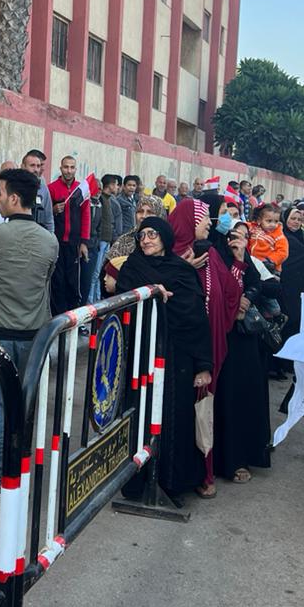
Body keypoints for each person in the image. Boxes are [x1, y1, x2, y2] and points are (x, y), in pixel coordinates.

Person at [116, 216, 212, 506]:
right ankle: (136, 481)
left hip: (176, 356)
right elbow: (122, 303)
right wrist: (154, 295)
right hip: (141, 354)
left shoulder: (182, 271)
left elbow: (196, 317)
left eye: (152, 234)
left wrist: (202, 365)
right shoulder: (132, 267)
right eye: (142, 235)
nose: (146, 240)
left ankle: (172, 483)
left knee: (174, 415)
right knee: (139, 414)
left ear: (165, 238)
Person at [0, 168, 59, 474]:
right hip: (33, 337)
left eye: (0, 193)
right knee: (26, 404)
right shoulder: (50, 241)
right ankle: (19, 468)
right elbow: (46, 279)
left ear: (13, 198)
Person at [170, 196, 240, 499]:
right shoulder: (166, 254)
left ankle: (204, 472)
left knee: (203, 408)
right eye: (203, 219)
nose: (209, 224)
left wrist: (238, 263)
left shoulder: (209, 253)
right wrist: (182, 268)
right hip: (176, 351)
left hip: (206, 349)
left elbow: (230, 292)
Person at [212, 220, 278, 484]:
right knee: (221, 397)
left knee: (243, 397)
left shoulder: (248, 259)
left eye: (242, 236)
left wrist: (247, 295)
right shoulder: (213, 256)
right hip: (221, 335)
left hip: (244, 339)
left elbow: (260, 284)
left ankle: (241, 458)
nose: (236, 241)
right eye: (232, 236)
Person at [276, 205, 304, 379]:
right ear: (285, 219)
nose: (296, 222)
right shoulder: (280, 237)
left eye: (299, 219)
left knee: (298, 324)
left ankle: (291, 362)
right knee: (286, 323)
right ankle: (279, 364)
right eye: (293, 218)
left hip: (302, 288)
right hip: (286, 288)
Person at [47, 155, 91, 314]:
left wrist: (84, 242)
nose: (69, 171)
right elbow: (45, 214)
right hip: (56, 243)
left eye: (72, 167)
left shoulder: (81, 189)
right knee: (57, 282)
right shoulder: (51, 188)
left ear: (76, 169)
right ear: (61, 168)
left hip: (74, 244)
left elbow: (86, 215)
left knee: (73, 282)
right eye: (66, 167)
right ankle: (57, 318)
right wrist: (53, 210)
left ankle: (73, 316)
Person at [104, 194, 166, 294]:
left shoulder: (167, 242)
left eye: (150, 212)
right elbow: (107, 276)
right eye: (140, 211)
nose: (143, 216)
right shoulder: (124, 241)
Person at [85, 174, 121, 303]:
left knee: (99, 273)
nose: (98, 191)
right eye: (97, 188)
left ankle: (97, 299)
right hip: (99, 241)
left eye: (100, 188)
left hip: (106, 240)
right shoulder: (98, 201)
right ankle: (91, 301)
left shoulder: (107, 200)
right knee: (95, 274)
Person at [247, 203, 288, 273]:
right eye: (269, 221)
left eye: (276, 221)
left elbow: (283, 252)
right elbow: (243, 225)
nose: (273, 225)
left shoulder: (279, 235)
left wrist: (271, 260)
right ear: (259, 220)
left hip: (270, 267)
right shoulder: (253, 228)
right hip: (253, 263)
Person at [21, 149, 54, 231]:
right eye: (32, 165)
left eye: (38, 166)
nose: (36, 169)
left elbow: (48, 218)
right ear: (23, 166)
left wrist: (51, 235)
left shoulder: (43, 189)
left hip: (37, 235)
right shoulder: (13, 186)